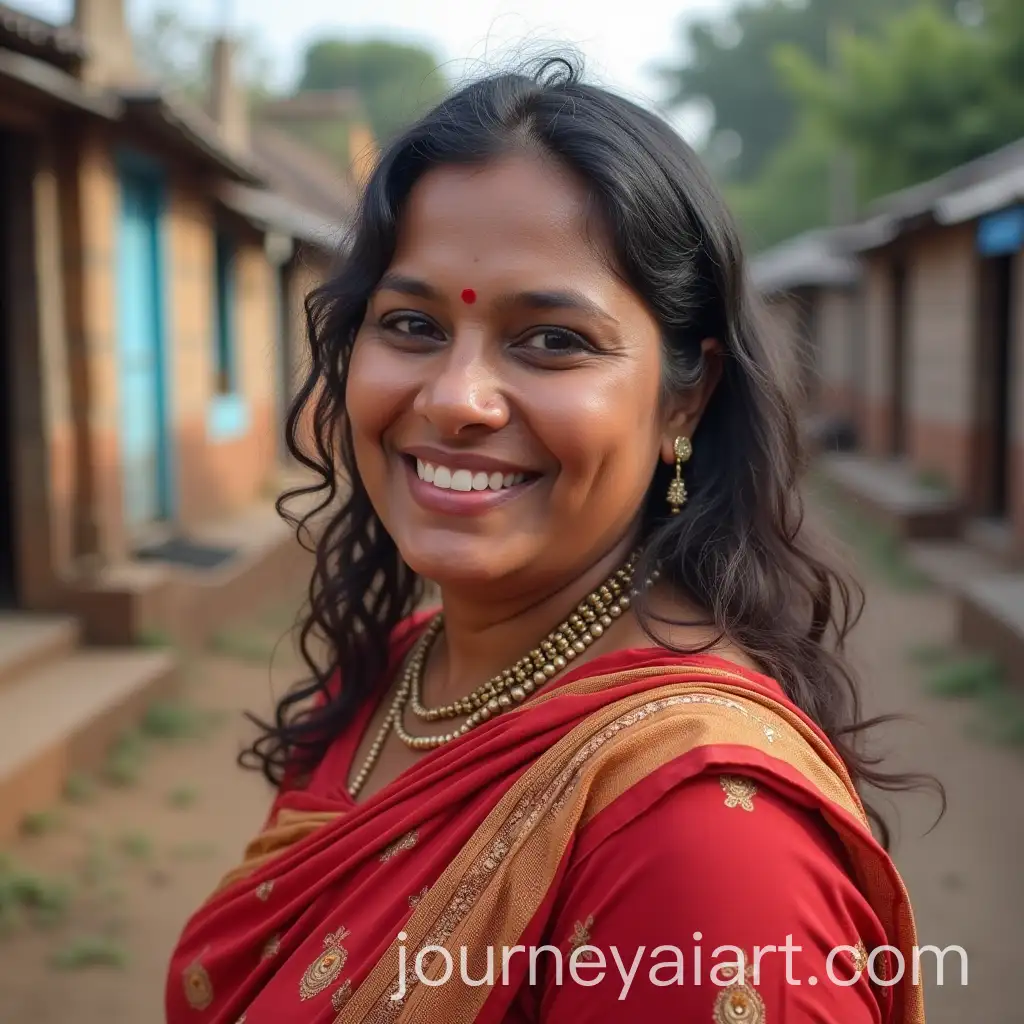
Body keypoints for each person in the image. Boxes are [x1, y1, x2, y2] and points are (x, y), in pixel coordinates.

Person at [166, 59, 930, 1024]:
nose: (455, 399)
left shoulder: (708, 850)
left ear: (684, 395)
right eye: (409, 323)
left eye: (554, 341)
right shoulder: (391, 677)